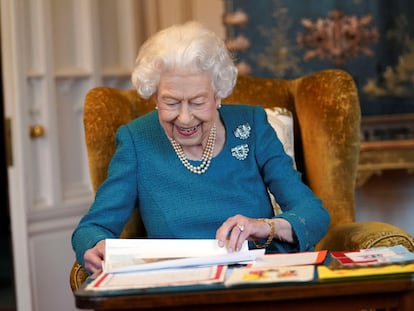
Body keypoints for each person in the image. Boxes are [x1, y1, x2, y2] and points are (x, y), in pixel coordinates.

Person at [72, 21, 330, 276]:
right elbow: (92, 227)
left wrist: (265, 227)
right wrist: (96, 245)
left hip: (257, 279)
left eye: (197, 102)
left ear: (218, 94)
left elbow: (313, 214)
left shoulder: (251, 125)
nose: (184, 118)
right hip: (180, 286)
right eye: (171, 102)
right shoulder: (137, 140)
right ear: (155, 97)